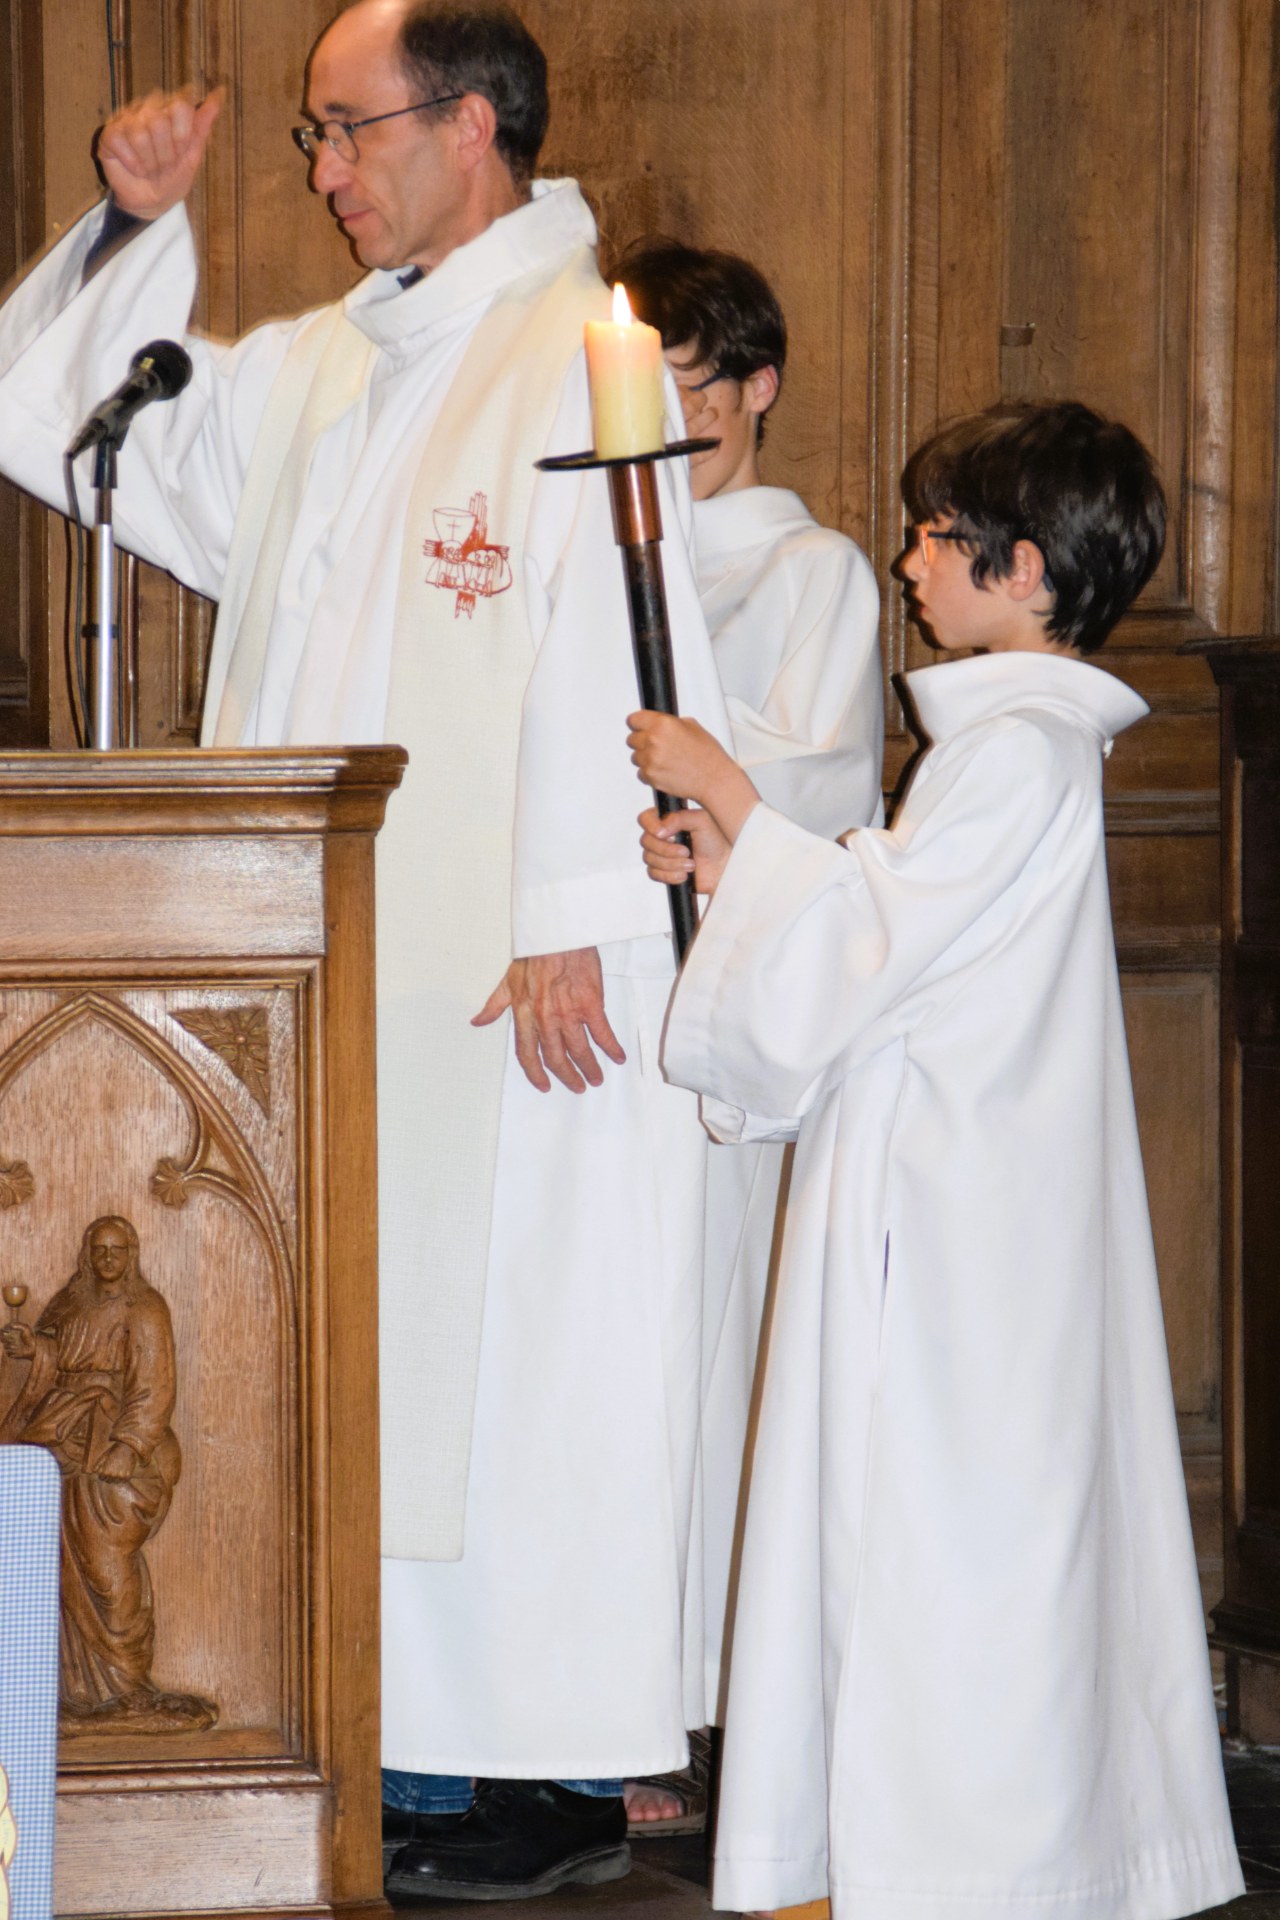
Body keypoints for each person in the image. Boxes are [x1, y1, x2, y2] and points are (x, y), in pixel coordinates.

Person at [0, 3, 730, 1900]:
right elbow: (67, 437)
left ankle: (547, 1773)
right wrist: (135, 232)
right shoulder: (330, 368)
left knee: (517, 1350)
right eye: (312, 140)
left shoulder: (588, 353)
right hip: (314, 970)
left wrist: (581, 909)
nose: (322, 176)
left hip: (506, 973)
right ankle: (392, 1738)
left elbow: (629, 642)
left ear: (473, 122)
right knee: (361, 1348)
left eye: (348, 133)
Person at [627, 402, 1244, 1920]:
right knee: (957, 1532)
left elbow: (869, 941)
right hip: (958, 1206)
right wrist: (750, 850)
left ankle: (969, 1869)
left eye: (936, 538)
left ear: (1024, 570)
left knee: (951, 1540)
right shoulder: (1004, 751)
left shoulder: (1017, 751)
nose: (908, 561)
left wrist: (738, 800)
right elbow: (896, 922)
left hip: (956, 1234)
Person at [614, 239, 882, 1827]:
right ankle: (604, 1696)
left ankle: (703, 1708)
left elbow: (831, 785)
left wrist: (706, 785)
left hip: (732, 994)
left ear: (758, 386)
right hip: (594, 996)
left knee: (717, 1352)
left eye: (696, 384)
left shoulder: (815, 571)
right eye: (643, 387)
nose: (672, 415)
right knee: (615, 1358)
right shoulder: (600, 554)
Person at [0, 1217, 214, 1732]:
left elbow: (156, 1386)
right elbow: (54, 1352)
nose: (108, 1258)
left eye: (118, 1249)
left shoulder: (145, 1309)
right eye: (100, 1249)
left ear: (132, 1252)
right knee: (59, 1560)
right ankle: (73, 1692)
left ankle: (128, 1685)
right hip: (65, 1437)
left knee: (107, 1565)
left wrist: (128, 1444)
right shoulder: (72, 1301)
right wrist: (35, 1348)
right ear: (87, 1253)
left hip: (114, 1443)